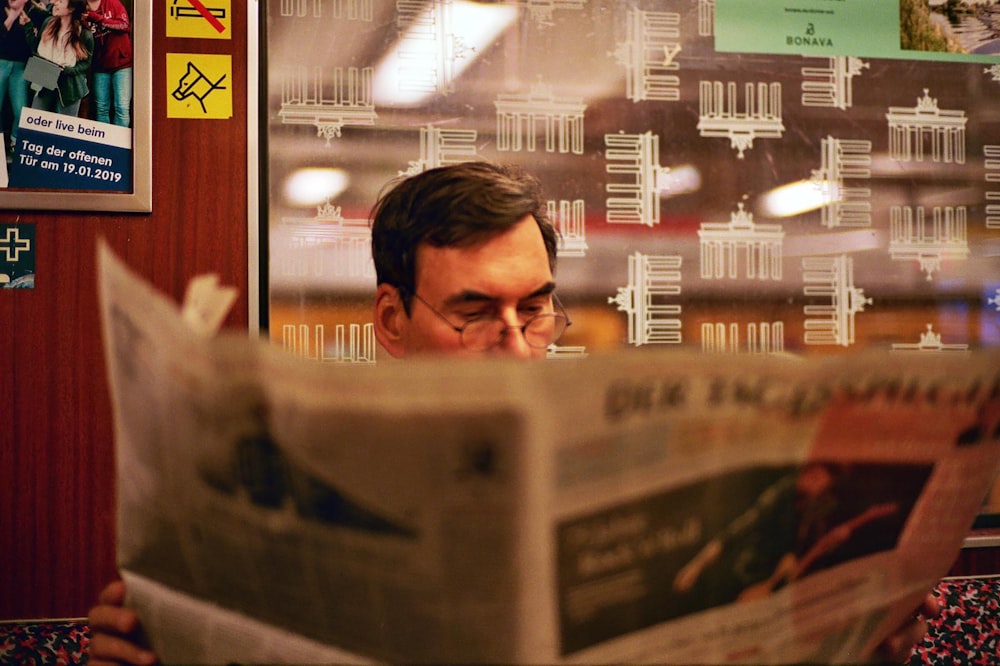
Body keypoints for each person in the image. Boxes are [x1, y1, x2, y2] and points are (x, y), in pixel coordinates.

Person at [86, 162, 936, 665]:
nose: (520, 346)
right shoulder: (295, 482)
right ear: (391, 321)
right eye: (474, 313)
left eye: (536, 309)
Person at [25, 0, 92, 117]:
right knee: (36, 120)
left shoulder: (84, 34)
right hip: (44, 75)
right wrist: (28, 27)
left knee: (65, 126)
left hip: (70, 85)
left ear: (71, 9)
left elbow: (86, 63)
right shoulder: (48, 23)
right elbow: (37, 50)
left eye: (60, 1)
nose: (54, 2)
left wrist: (68, 70)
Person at [0, 0, 45, 159]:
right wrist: (10, 19)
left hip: (22, 66)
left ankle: (15, 141)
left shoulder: (32, 10)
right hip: (1, 63)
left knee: (21, 109)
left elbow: (45, 32)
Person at [82, 0, 131, 126]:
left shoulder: (113, 3)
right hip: (99, 65)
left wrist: (98, 19)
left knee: (122, 107)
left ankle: (120, 144)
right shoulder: (82, 8)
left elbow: (124, 25)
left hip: (121, 62)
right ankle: (104, 145)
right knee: (101, 108)